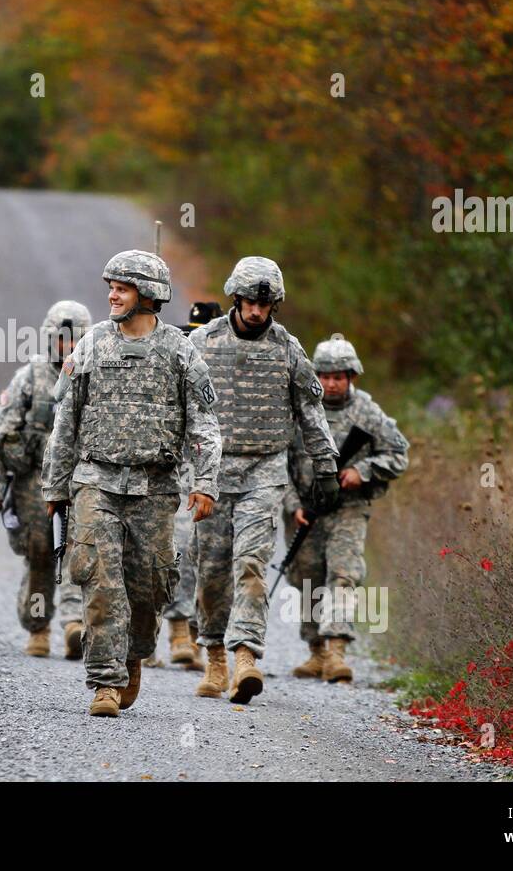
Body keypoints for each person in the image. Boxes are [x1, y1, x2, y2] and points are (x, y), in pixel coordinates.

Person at [42, 250, 221, 717]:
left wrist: (206, 483)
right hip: (94, 480)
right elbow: (67, 419)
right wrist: (55, 486)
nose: (112, 295)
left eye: (122, 288)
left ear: (148, 295)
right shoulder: (92, 344)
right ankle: (104, 682)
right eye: (111, 286)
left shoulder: (181, 351)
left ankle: (133, 654)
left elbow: (204, 422)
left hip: (156, 488)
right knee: (100, 579)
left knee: (149, 586)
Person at [188, 257, 338, 704]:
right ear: (236, 296)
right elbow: (180, 405)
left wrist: (325, 464)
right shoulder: (202, 342)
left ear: (275, 305)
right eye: (251, 301)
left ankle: (245, 657)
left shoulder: (288, 349)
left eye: (266, 303)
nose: (257, 310)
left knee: (251, 565)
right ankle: (214, 654)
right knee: (212, 570)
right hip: (212, 472)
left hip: (264, 471)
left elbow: (311, 411)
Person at [283, 334, 409, 682]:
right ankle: (316, 651)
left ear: (351, 376)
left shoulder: (368, 413)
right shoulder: (301, 411)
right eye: (324, 376)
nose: (331, 383)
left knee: (343, 573)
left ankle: (337, 649)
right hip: (306, 511)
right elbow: (280, 461)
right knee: (306, 577)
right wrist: (293, 505)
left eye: (339, 376)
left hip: (349, 509)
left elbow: (398, 455)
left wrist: (362, 472)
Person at [0, 300, 90, 659]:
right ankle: (39, 626)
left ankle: (76, 624)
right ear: (49, 339)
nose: (68, 347)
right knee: (41, 557)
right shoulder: (31, 377)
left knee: (79, 553)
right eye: (61, 340)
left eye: (75, 340)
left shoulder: (96, 375)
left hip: (82, 482)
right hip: (35, 486)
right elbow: (2, 436)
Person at [154, 301, 224, 671]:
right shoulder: (176, 359)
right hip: (174, 475)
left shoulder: (226, 369)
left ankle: (207, 640)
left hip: (219, 476)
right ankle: (173, 631)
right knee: (173, 552)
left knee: (212, 562)